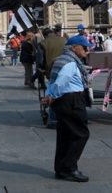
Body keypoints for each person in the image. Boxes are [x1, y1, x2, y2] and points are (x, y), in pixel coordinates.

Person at [40, 35, 92, 182]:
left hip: (64, 101)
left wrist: (50, 95)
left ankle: (61, 169)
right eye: (84, 47)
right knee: (80, 134)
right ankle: (69, 168)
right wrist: (52, 96)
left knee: (65, 136)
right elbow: (60, 81)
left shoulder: (62, 60)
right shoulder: (69, 62)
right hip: (71, 101)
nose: (87, 50)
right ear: (74, 47)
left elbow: (53, 80)